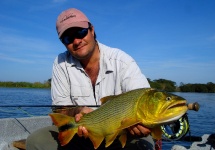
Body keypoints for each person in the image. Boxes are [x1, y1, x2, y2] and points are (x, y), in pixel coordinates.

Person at [26, 8, 154, 150]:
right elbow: (59, 110)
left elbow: (144, 98)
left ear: (92, 30)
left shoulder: (122, 60)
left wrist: (143, 126)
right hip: (81, 134)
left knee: (146, 145)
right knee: (35, 141)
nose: (76, 41)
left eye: (81, 32)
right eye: (68, 38)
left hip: (122, 134)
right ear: (63, 43)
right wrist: (77, 111)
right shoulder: (60, 63)